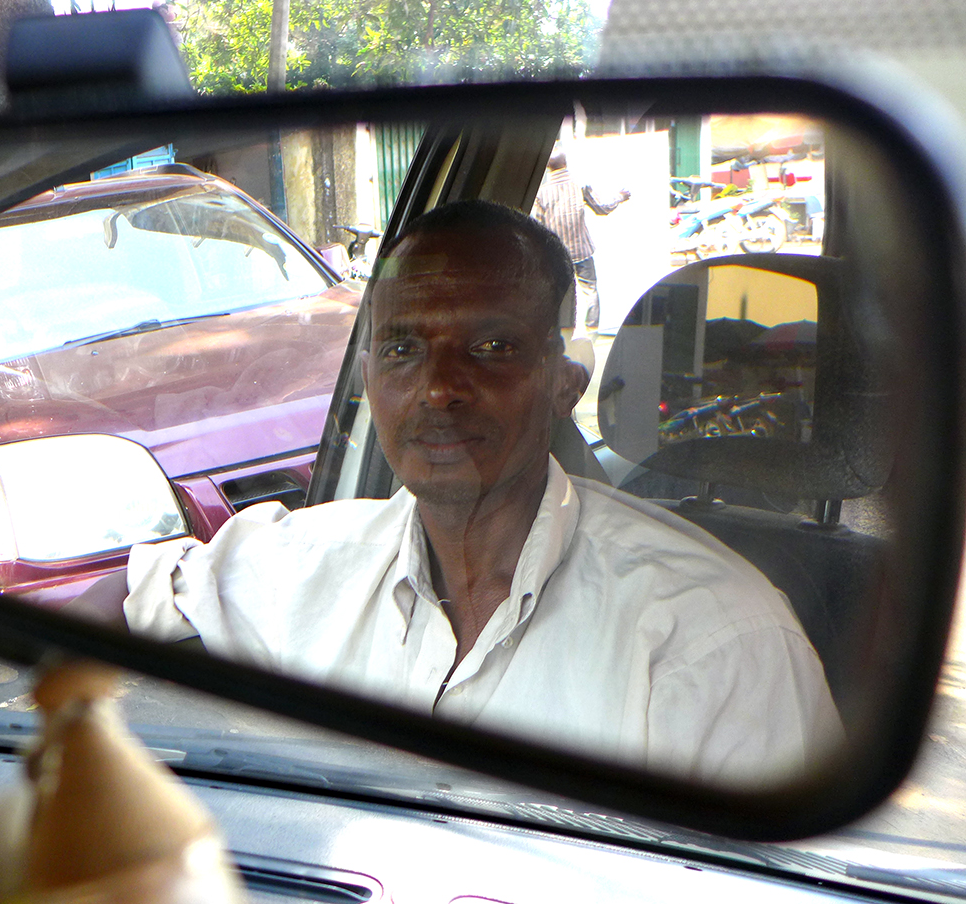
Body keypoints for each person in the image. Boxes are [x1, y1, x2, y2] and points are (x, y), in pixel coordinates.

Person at [72, 200, 840, 789]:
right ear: (370, 381)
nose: (439, 387)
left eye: (492, 347)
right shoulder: (309, 562)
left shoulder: (714, 640)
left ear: (563, 382)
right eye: (404, 348)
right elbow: (140, 589)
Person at [532, 148, 630, 333]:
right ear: (565, 163)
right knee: (590, 290)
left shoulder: (541, 194)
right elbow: (602, 208)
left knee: (562, 295)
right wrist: (620, 197)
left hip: (558, 255)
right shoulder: (580, 186)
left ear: (547, 167)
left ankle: (564, 333)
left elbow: (538, 227)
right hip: (582, 252)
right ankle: (592, 331)